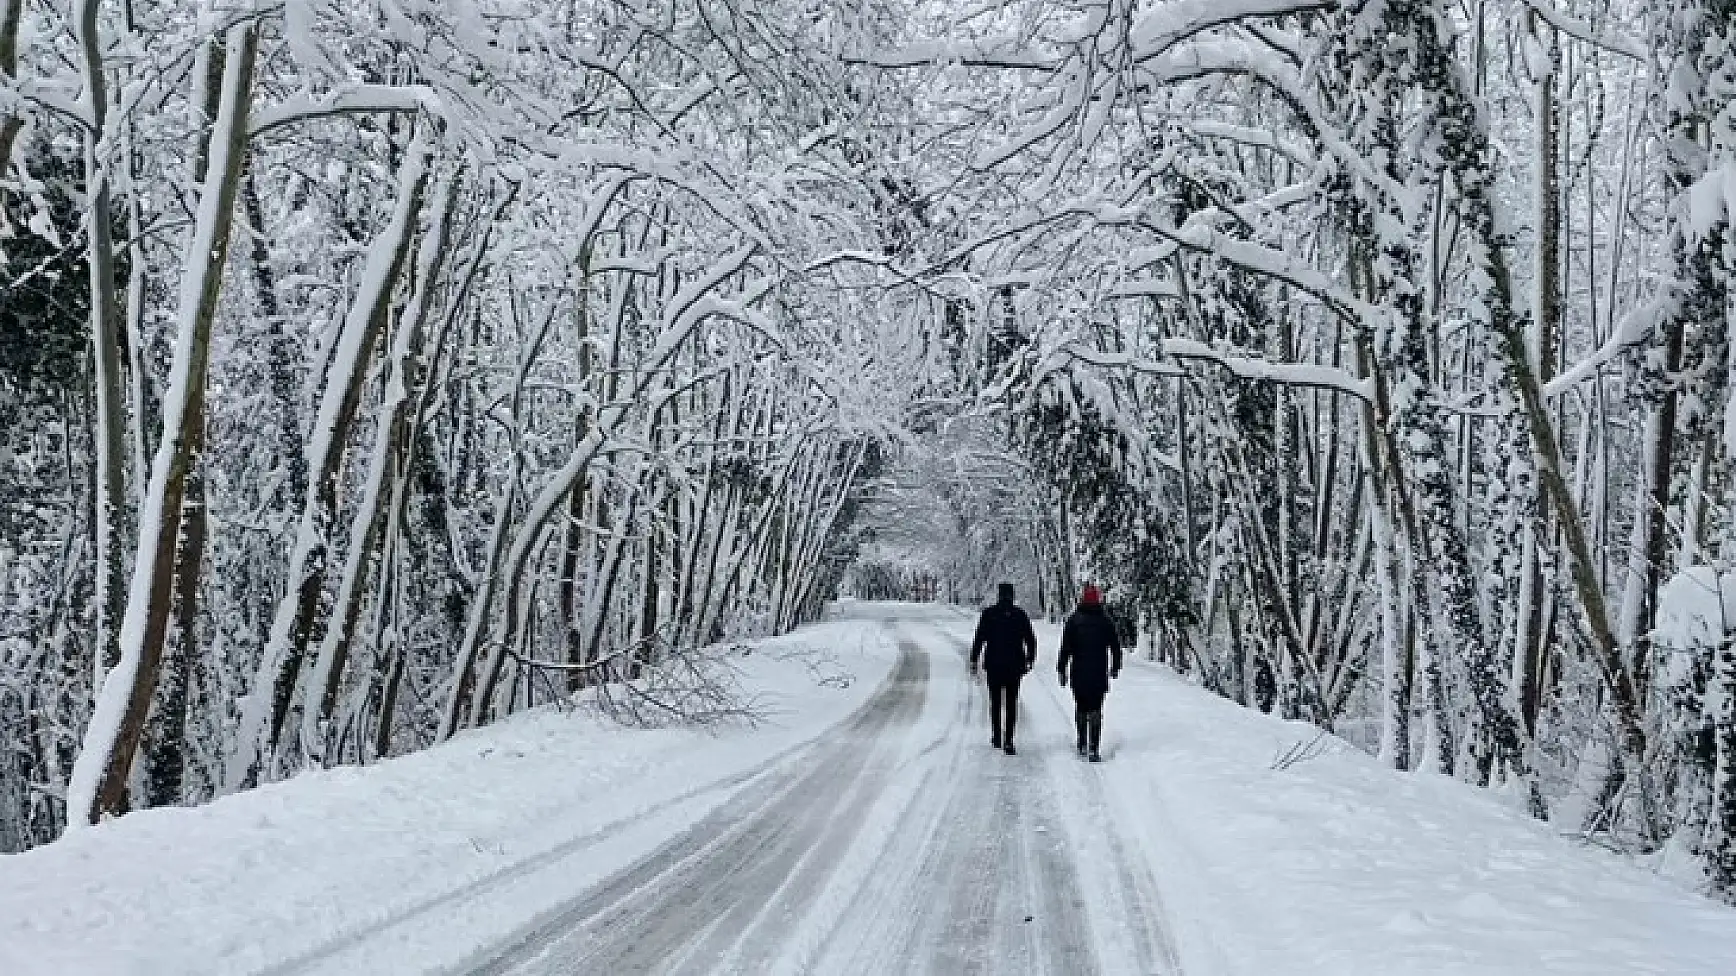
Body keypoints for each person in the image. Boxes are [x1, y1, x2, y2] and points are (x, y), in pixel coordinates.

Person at [970, 582, 1037, 755]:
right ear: (1012, 596)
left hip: (994, 665)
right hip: (1014, 666)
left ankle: (996, 735)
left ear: (998, 595)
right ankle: (1009, 740)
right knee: (1011, 702)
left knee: (995, 701)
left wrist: (974, 659)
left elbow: (979, 638)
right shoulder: (1019, 615)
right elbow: (1030, 639)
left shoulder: (989, 614)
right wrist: (1030, 658)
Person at [1057, 583, 1121, 762]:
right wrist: (1115, 667)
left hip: (1079, 673)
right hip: (1099, 674)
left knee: (1081, 707)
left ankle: (1082, 741)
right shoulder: (1106, 621)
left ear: (1082, 599)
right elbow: (1115, 646)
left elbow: (1065, 648)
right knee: (1096, 709)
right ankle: (1094, 747)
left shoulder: (1074, 620)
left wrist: (1061, 669)